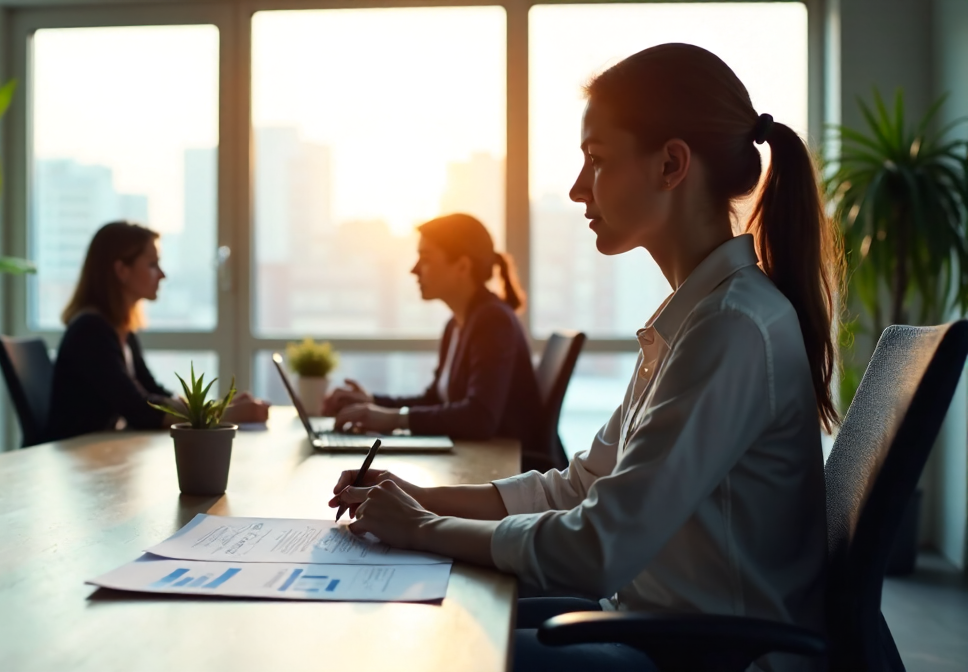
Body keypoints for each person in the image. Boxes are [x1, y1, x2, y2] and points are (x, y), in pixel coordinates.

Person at [329, 44, 840, 672]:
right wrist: (424, 498)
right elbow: (580, 487)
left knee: (437, 652)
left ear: (672, 164)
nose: (576, 189)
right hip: (659, 629)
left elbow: (599, 547)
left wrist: (421, 528)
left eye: (596, 160)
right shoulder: (697, 318)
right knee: (436, 617)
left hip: (709, 656)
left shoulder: (730, 328)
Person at [322, 213, 541, 463]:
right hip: (479, 459)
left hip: (508, 469)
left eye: (425, 259)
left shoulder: (493, 321)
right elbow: (436, 399)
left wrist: (391, 419)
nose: (414, 270)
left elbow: (480, 417)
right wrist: (372, 403)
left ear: (462, 266)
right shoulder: (457, 324)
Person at [47, 221, 268, 441]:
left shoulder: (122, 331)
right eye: (152, 264)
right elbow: (140, 411)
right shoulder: (90, 331)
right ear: (122, 270)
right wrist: (226, 415)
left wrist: (218, 406)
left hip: (94, 452)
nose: (162, 274)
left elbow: (154, 394)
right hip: (75, 458)